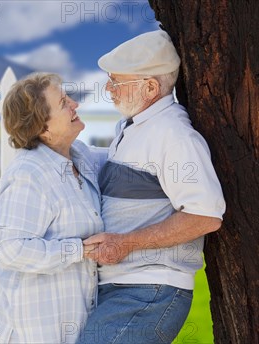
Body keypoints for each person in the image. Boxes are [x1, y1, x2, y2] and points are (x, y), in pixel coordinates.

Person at [78, 30, 226, 343]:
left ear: (150, 87)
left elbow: (206, 216)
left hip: (149, 291)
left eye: (117, 82)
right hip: (123, 288)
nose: (109, 89)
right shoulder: (130, 126)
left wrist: (126, 243)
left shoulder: (173, 135)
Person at [0, 73, 105, 343]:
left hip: (69, 322)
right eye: (63, 102)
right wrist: (79, 250)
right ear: (43, 129)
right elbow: (10, 249)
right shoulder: (30, 173)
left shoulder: (80, 156)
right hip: (31, 328)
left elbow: (126, 154)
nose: (75, 104)